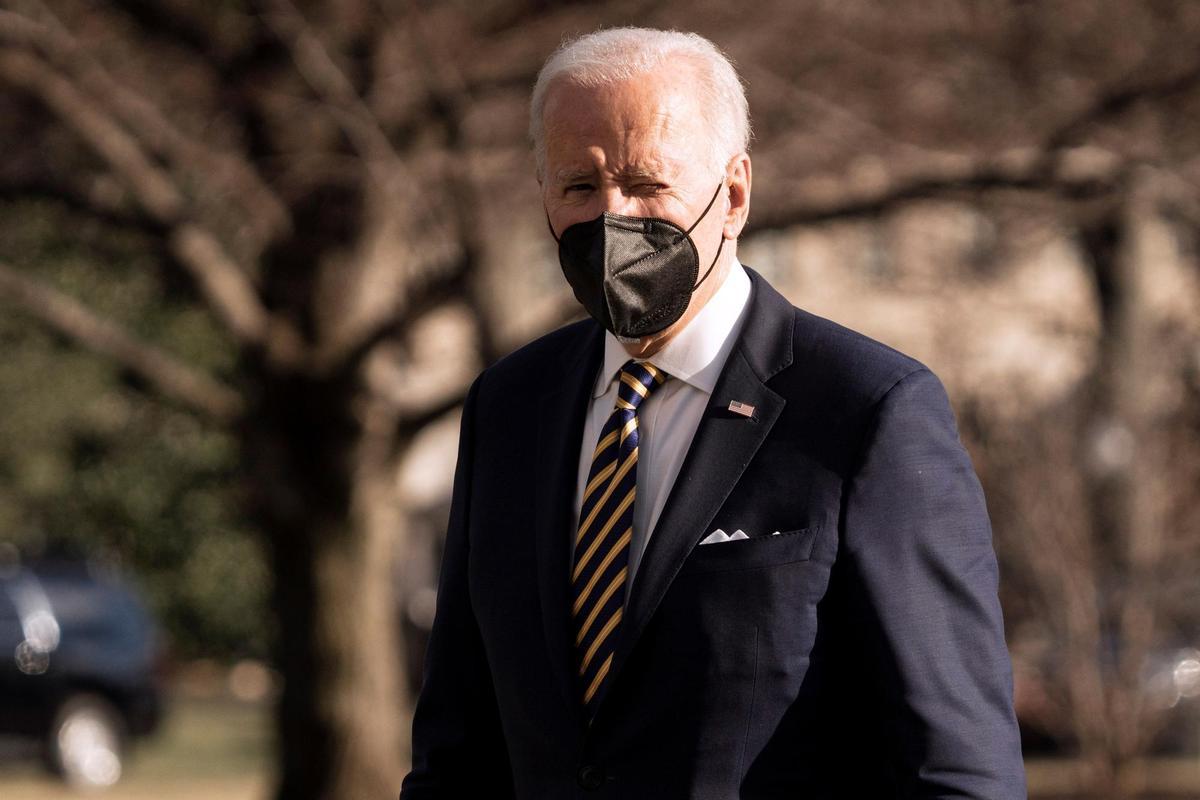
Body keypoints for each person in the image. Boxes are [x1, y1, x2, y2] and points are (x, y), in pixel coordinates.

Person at [400, 27, 1026, 799]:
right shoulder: (509, 406)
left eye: (646, 184)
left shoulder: (868, 411)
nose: (612, 218)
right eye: (578, 188)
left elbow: (958, 770)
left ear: (732, 195)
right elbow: (458, 751)